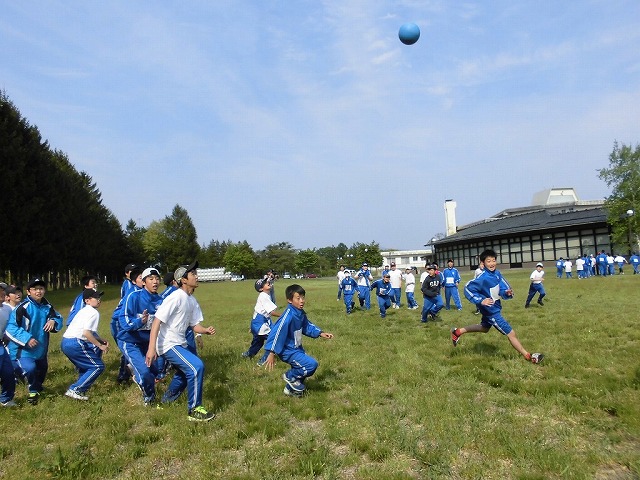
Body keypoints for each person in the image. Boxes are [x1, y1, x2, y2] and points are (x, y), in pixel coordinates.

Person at [146, 261, 217, 422]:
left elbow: (194, 325)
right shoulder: (175, 297)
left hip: (180, 343)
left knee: (183, 375)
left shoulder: (191, 301)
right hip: (168, 344)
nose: (196, 276)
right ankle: (194, 409)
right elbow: (157, 321)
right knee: (197, 366)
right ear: (183, 279)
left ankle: (165, 402)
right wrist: (151, 348)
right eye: (193, 274)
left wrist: (204, 330)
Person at [453, 249, 544, 364]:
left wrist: (507, 292)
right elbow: (467, 288)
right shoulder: (483, 277)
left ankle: (457, 332)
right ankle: (528, 356)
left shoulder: (497, 273)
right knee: (511, 333)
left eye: (494, 260)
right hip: (492, 311)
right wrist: (481, 300)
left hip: (493, 308)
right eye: (488, 261)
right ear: (483, 263)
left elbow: (502, 287)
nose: (492, 263)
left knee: (485, 328)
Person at [263, 284, 334, 397]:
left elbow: (306, 325)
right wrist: (271, 352)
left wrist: (320, 333)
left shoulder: (299, 313)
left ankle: (290, 390)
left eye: (303, 297)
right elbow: (276, 333)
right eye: (298, 298)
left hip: (297, 348)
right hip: (288, 351)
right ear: (289, 300)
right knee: (311, 365)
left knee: (301, 368)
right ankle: (290, 376)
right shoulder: (288, 316)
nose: (302, 301)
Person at [5, 277, 64, 405]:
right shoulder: (23, 308)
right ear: (28, 292)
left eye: (41, 289)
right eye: (35, 289)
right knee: (30, 369)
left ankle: (37, 387)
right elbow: (10, 327)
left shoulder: (47, 306)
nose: (38, 292)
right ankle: (32, 392)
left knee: (42, 369)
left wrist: (53, 321)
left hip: (41, 349)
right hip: (24, 350)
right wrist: (27, 338)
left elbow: (58, 317)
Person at [117, 267, 163, 406]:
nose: (155, 282)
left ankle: (136, 371)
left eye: (157, 279)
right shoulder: (133, 297)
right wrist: (139, 321)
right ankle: (149, 399)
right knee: (144, 372)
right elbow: (123, 321)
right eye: (151, 279)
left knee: (156, 371)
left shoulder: (160, 300)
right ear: (143, 282)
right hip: (129, 340)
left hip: (148, 343)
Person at [61, 289, 109, 400]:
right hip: (75, 342)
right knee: (97, 366)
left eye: (99, 297)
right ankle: (75, 389)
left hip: (66, 342)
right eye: (96, 298)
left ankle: (79, 391)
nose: (99, 300)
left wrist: (100, 339)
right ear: (87, 301)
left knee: (86, 366)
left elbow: (86, 331)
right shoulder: (93, 313)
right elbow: (86, 333)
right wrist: (100, 345)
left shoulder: (84, 311)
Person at [112, 266, 143, 383]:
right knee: (128, 346)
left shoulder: (139, 290)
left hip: (127, 320)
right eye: (141, 278)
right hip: (120, 321)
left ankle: (130, 370)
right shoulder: (131, 289)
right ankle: (124, 375)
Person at [242, 278, 281, 365]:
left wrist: (252, 326)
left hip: (257, 322)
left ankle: (248, 355)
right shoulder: (264, 296)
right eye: (265, 283)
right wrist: (283, 316)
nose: (267, 283)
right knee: (274, 338)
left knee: (258, 342)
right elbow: (271, 312)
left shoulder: (265, 294)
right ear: (261, 289)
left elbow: (257, 310)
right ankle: (264, 360)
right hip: (261, 323)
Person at [0, 287, 16, 407]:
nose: (2, 292)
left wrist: (7, 334)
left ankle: (6, 399)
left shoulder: (7, 309)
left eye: (2, 290)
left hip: (1, 344)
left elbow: (12, 325)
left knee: (8, 372)